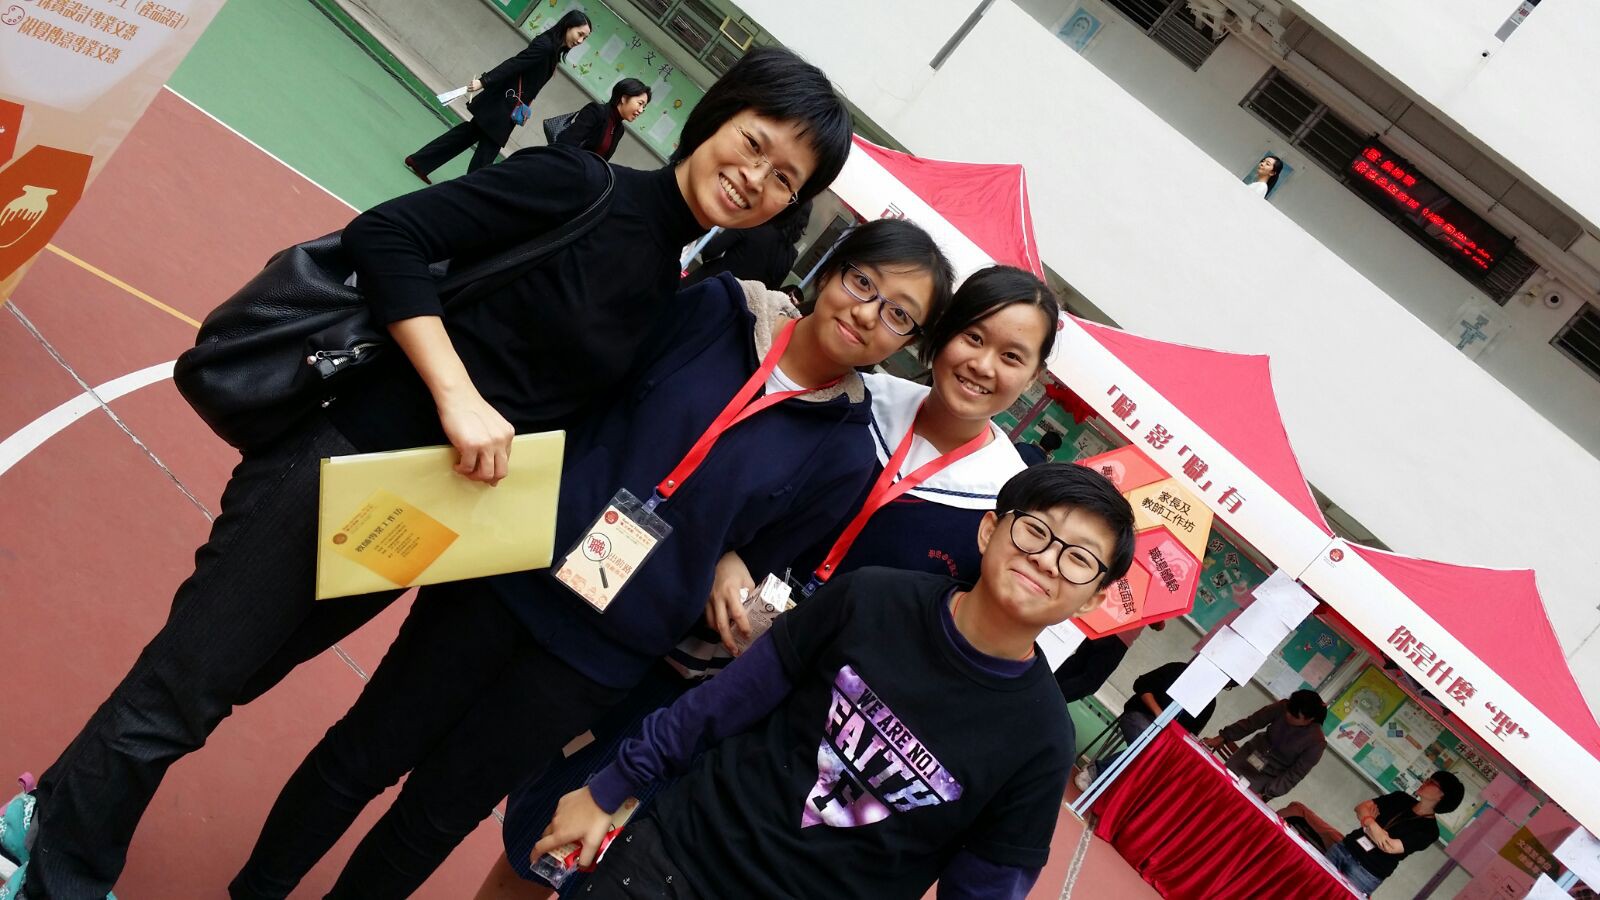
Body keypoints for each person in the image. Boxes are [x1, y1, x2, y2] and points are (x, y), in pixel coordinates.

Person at [10, 47, 852, 900]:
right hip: (346, 458)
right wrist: (457, 395)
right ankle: (58, 878)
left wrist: (727, 551)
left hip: (424, 516)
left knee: (220, 684)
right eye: (754, 144)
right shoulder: (581, 186)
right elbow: (389, 235)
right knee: (184, 690)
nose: (755, 179)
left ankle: (43, 817)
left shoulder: (671, 284)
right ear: (715, 118)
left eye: (785, 179)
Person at [229, 219, 953, 898]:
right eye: (863, 283)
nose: (867, 313)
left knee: (436, 815)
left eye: (899, 315)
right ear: (831, 271)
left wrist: (729, 559)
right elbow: (601, 393)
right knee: (361, 754)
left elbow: (759, 554)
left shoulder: (845, 452)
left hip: (595, 657)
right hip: (506, 572)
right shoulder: (717, 312)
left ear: (908, 343)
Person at [479, 264, 1061, 898]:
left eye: (1012, 356)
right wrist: (726, 555)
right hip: (686, 660)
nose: (982, 365)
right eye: (973, 337)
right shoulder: (847, 398)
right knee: (550, 832)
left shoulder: (1003, 505)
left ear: (1034, 377)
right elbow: (727, 483)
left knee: (655, 870)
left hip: (800, 738)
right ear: (940, 334)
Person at [534, 462, 1138, 900]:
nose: (1046, 558)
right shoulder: (871, 597)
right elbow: (721, 703)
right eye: (1036, 530)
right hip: (674, 860)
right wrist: (607, 788)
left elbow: (984, 887)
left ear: (1096, 597)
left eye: (1079, 558)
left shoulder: (1042, 739)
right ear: (989, 530)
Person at [405, 10, 592, 181]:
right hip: (503, 105)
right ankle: (469, 194)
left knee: (467, 136)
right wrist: (483, 81)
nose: (580, 41)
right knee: (486, 153)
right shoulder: (546, 46)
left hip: (505, 103)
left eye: (584, 38)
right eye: (580, 34)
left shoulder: (552, 50)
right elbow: (515, 64)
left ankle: (420, 161)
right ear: (568, 26)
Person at [1279, 772, 1464, 895]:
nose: (1425, 782)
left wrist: (1369, 824)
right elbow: (1361, 807)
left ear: (1442, 795)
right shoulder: (1401, 798)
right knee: (1305, 887)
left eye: (1432, 783)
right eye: (1428, 778)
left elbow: (1390, 847)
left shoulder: (1429, 830)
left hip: (1366, 872)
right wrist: (1371, 823)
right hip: (1344, 849)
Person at [1073, 657, 1232, 790]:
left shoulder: (1209, 702)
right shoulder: (1178, 670)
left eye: (1226, 687)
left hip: (1167, 735)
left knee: (1168, 758)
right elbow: (1142, 685)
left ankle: (1116, 790)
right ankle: (1096, 772)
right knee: (1151, 747)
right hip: (1140, 714)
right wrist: (1158, 713)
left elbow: (1190, 732)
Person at [1202, 688, 1328, 801]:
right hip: (1246, 756)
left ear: (1310, 719)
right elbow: (1252, 722)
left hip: (1265, 778)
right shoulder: (1282, 706)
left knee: (1230, 801)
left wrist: (1266, 794)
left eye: (1294, 715)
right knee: (1212, 785)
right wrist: (1222, 737)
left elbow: (1294, 775)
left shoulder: (1316, 742)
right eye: (1289, 710)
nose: (1288, 715)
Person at [683, 198, 812, 291]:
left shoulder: (756, 223)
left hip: (706, 285)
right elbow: (770, 292)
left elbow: (711, 250)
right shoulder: (790, 256)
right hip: (731, 310)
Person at [554, 77, 651, 161]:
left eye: (644, 107)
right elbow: (567, 142)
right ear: (624, 98)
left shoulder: (619, 129)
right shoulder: (596, 111)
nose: (641, 110)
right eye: (640, 103)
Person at [1054, 632, 1132, 704]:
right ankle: (1051, 699)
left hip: (1102, 628)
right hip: (1120, 636)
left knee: (1076, 664)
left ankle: (1048, 689)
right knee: (1089, 681)